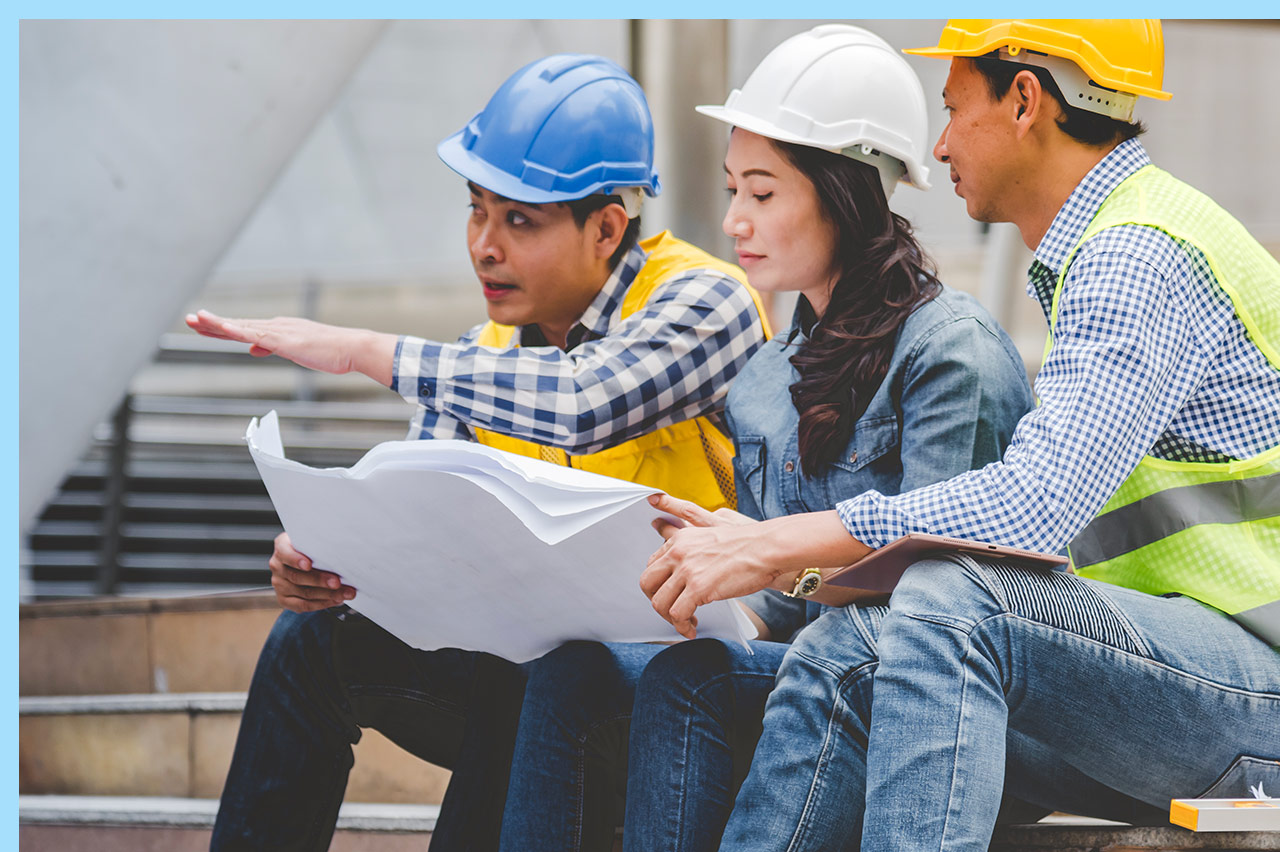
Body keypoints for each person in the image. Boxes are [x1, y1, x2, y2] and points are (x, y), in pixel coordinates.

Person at [640, 19, 1280, 852]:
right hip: (1176, 676)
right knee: (848, 658)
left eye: (952, 109)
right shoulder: (1104, 249)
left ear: (1024, 100)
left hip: (1253, 686)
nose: (937, 149)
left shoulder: (1139, 253)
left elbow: (1032, 506)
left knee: (949, 597)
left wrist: (774, 545)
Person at [190, 54, 770, 852]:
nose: (483, 248)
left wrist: (364, 349)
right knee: (315, 639)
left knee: (541, 672)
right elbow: (418, 524)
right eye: (476, 212)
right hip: (522, 679)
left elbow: (582, 400)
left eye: (518, 221)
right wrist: (331, 559)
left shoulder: (707, 302)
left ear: (606, 226)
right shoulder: (479, 356)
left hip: (673, 691)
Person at [494, 26, 1034, 852]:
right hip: (790, 664)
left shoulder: (949, 352)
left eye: (762, 193)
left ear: (844, 193)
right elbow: (775, 603)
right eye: (731, 189)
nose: (733, 219)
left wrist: (776, 562)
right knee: (576, 669)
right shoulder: (761, 377)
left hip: (905, 687)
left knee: (694, 681)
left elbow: (945, 603)